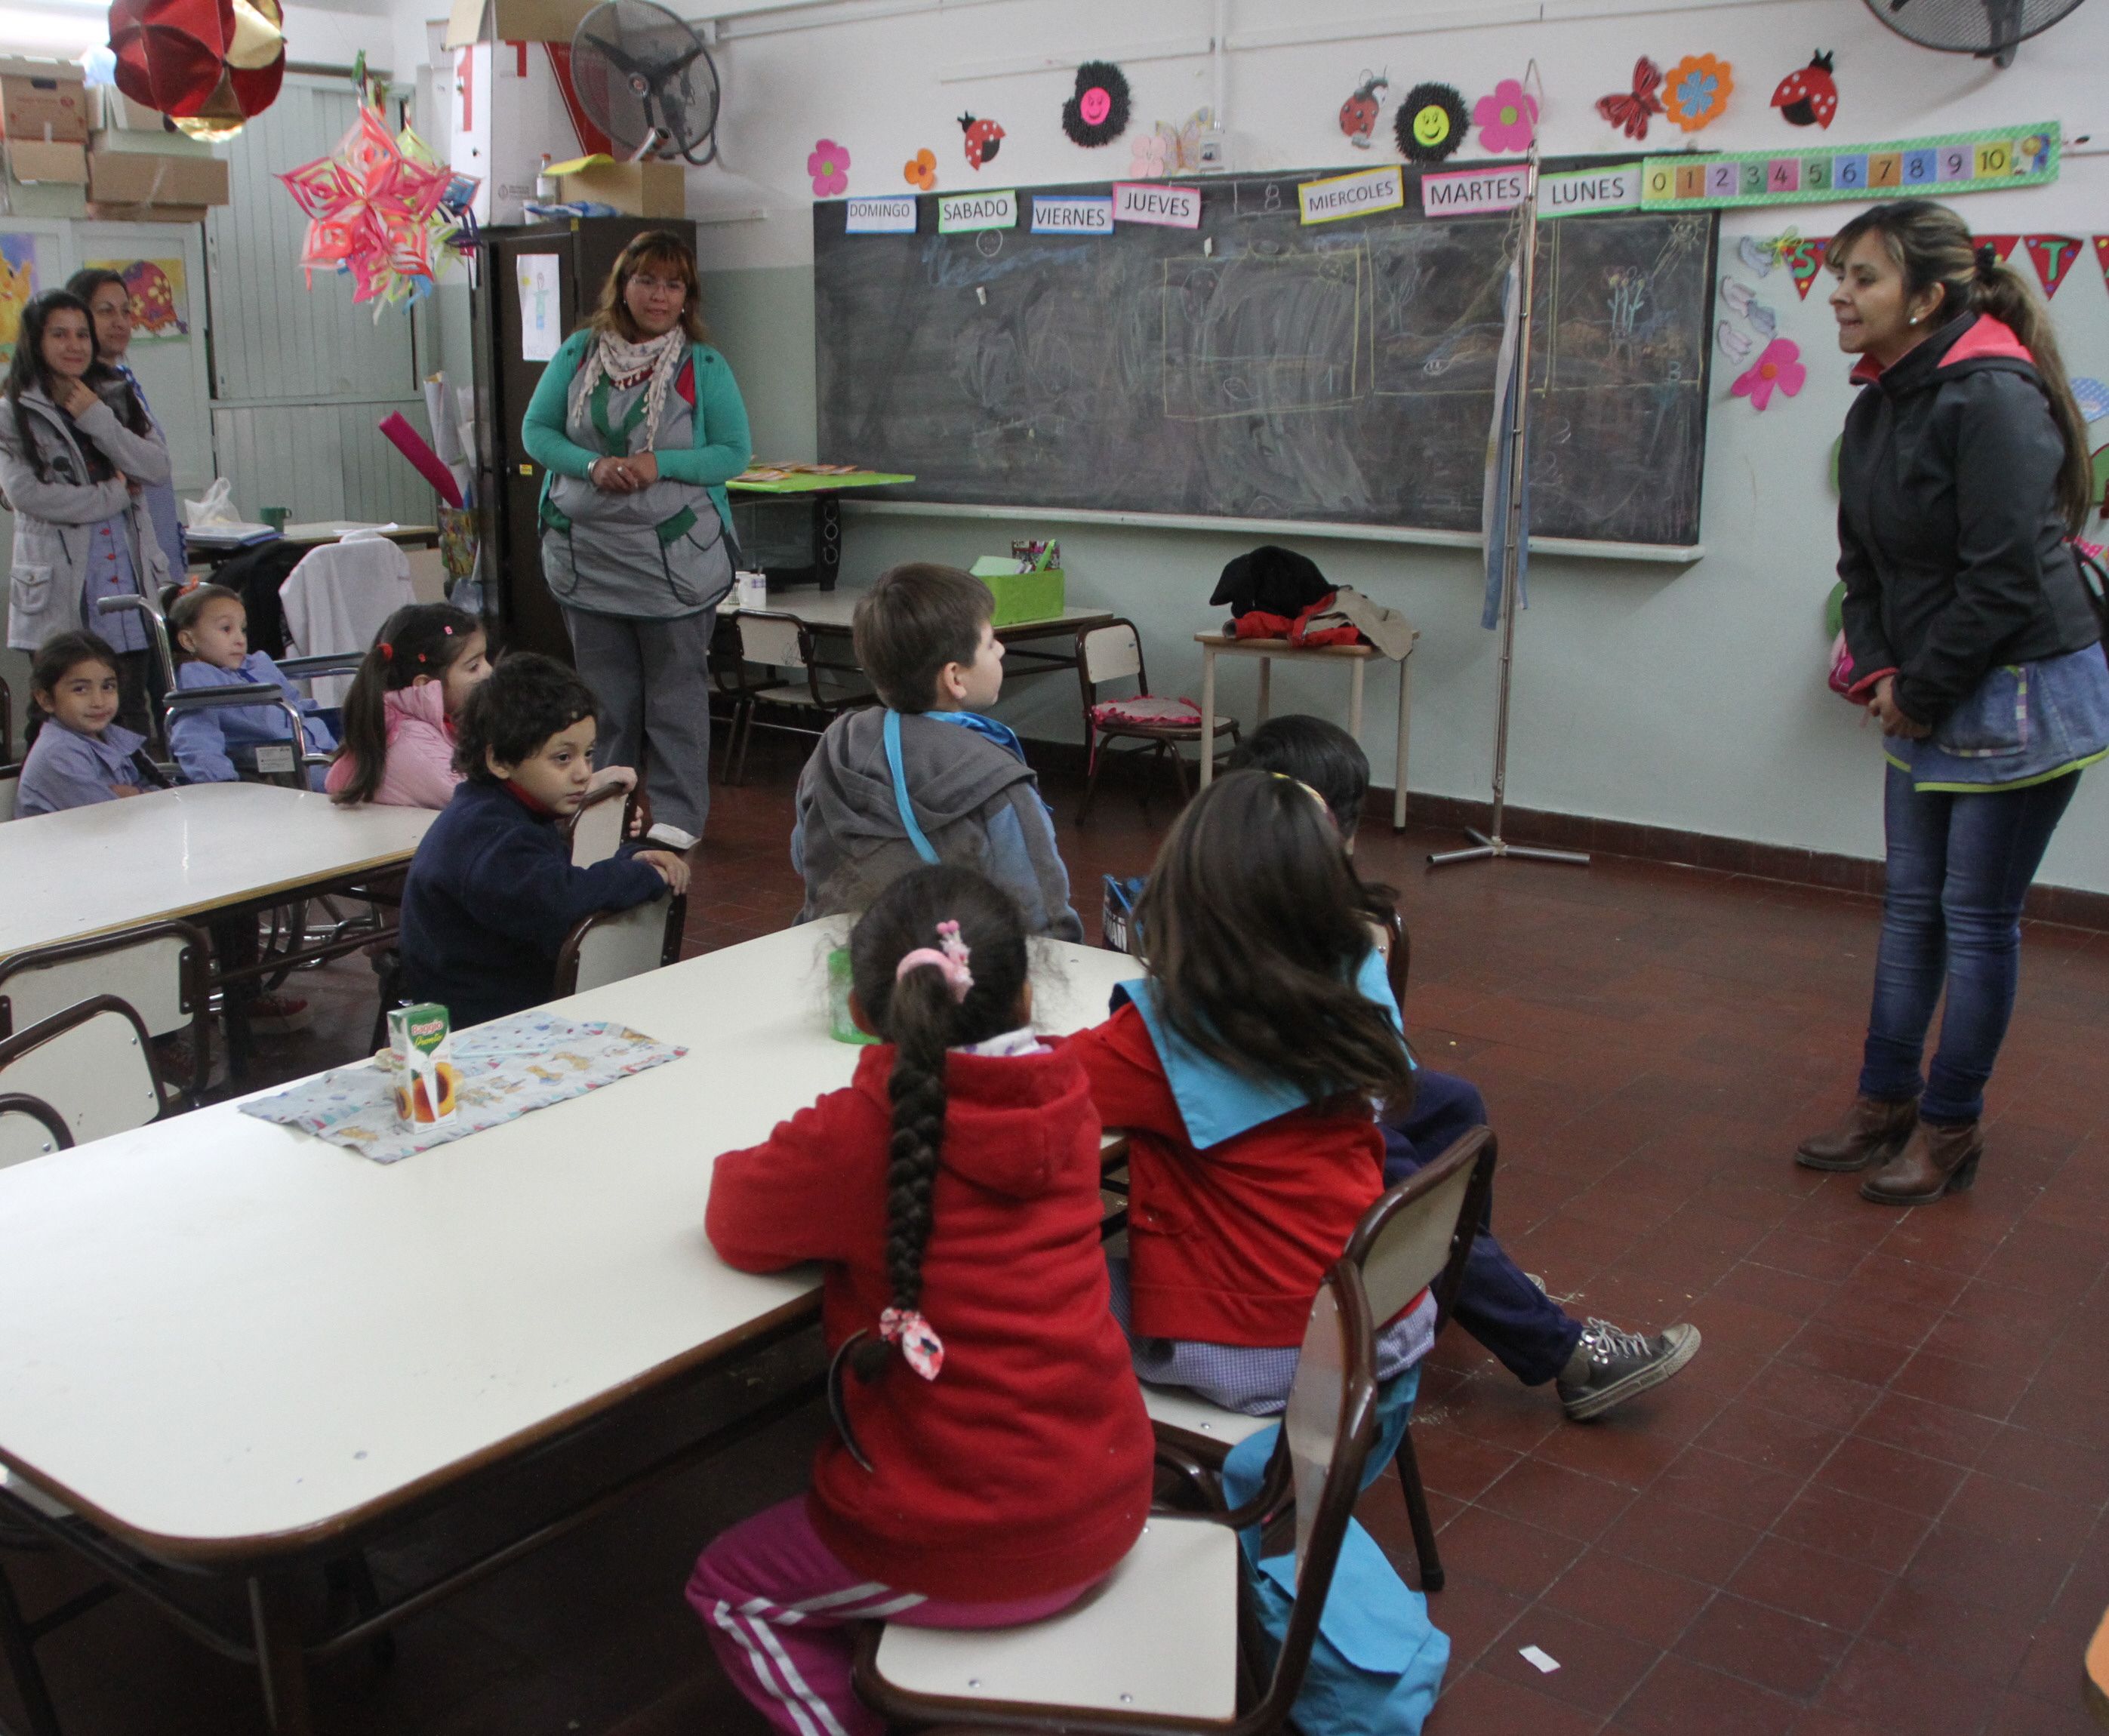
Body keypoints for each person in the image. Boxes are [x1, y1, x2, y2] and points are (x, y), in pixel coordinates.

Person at [687, 864, 1153, 1736]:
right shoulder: (1069, 1093)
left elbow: (734, 1218)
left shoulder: (864, 1133)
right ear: (1026, 996)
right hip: (1112, 1487)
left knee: (729, 1587)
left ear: (863, 1012)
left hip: (971, 1542)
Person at [1230, 716, 1701, 1421]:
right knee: (1413, 1187)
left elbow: (1374, 1047)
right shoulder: (1247, 901)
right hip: (1296, 1114)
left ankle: (1453, 1281)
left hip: (1336, 1088)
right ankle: (1563, 1354)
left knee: (1452, 1104)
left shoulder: (1307, 897)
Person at [1800, 199, 2109, 1207]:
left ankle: (1949, 1126)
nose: (1839, 295)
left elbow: (2004, 581)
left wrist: (1919, 690)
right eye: (1837, 274)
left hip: (2018, 690)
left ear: (1927, 297)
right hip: (1926, 685)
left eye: (1863, 278)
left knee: (1974, 921)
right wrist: (1881, 671)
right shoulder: (1875, 405)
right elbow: (1862, 567)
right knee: (1910, 910)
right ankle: (1883, 1101)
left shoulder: (1994, 399)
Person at [1057, 770, 1430, 1414]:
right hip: (1381, 1314)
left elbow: (1029, 1082)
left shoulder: (1163, 1037)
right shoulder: (1355, 990)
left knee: (1030, 1287)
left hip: (1273, 1355)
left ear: (1184, 894)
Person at [521, 229, 751, 854]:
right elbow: (537, 431)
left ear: (687, 297)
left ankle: (677, 812)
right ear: (623, 286)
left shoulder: (703, 365)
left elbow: (733, 452)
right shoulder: (579, 353)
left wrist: (661, 464)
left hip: (673, 563)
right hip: (589, 558)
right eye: (647, 280)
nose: (659, 295)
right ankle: (605, 808)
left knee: (676, 694)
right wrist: (591, 465)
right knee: (605, 698)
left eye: (674, 284)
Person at [793, 562, 1083, 938]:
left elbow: (803, 854)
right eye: (990, 643)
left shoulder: (837, 745)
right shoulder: (997, 778)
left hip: (845, 956)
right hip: (960, 967)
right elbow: (1044, 915)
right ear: (955, 677)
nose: (1001, 649)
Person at [397, 654, 688, 1028]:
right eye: (563, 758)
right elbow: (563, 900)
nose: (583, 773)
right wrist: (643, 874)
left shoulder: (500, 811)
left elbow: (553, 883)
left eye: (588, 754)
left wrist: (631, 858)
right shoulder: (492, 837)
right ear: (500, 761)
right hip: (476, 1028)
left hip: (501, 1005)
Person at [1, 288, 174, 738]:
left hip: (125, 581)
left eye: (81, 334)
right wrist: (113, 495)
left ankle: (131, 784)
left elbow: (155, 468)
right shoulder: (13, 409)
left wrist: (97, 417)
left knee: (127, 711)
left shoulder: (115, 394)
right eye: (59, 335)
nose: (74, 345)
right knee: (57, 713)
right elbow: (28, 496)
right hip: (60, 591)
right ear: (36, 341)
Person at [66, 266, 185, 580]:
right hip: (109, 561)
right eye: (106, 311)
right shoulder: (72, 393)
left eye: (126, 311)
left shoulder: (123, 383)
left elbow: (157, 467)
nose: (120, 322)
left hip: (153, 550)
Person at [164, 582, 335, 789]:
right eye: (226, 629)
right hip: (276, 771)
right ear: (189, 641)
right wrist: (223, 784)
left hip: (317, 749)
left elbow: (297, 703)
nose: (240, 639)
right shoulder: (198, 679)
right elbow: (196, 737)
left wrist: (328, 738)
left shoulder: (258, 664)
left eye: (243, 629)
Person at [16, 629, 170, 816]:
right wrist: (144, 796)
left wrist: (134, 794)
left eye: (107, 687)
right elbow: (111, 817)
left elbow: (164, 795)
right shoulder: (57, 754)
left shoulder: (112, 736)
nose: (98, 701)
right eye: (80, 689)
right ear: (46, 700)